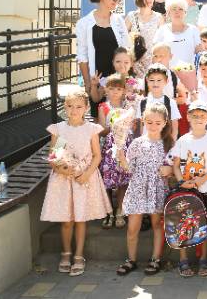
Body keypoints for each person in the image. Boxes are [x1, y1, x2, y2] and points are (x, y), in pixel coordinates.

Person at [41, 88, 111, 276]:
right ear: (65, 107)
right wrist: (61, 169)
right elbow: (54, 155)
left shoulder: (90, 129)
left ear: (86, 108)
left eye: (79, 106)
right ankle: (66, 253)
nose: (74, 110)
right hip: (64, 179)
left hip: (83, 178)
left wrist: (86, 174)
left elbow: (97, 155)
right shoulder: (59, 129)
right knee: (66, 220)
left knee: (80, 219)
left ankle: (79, 255)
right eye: (70, 106)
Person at [117, 102, 173, 277]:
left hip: (157, 188)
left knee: (157, 224)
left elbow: (175, 168)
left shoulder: (169, 144)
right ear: (143, 121)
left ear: (165, 123)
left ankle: (156, 258)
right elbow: (129, 168)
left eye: (158, 123)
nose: (153, 126)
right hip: (137, 188)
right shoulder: (137, 143)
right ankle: (131, 259)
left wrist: (170, 170)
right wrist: (121, 159)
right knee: (132, 228)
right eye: (149, 122)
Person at [172, 100, 207, 277]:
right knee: (183, 223)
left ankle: (204, 259)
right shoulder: (183, 140)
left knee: (204, 224)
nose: (198, 118)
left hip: (206, 189)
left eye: (202, 115)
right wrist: (181, 182)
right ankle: (183, 259)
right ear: (188, 117)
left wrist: (203, 179)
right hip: (186, 189)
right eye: (194, 116)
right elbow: (176, 165)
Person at [77, 0, 129, 115]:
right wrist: (88, 82)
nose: (116, 1)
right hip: (97, 79)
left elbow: (126, 50)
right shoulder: (84, 23)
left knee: (119, 116)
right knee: (98, 116)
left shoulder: (119, 21)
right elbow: (82, 55)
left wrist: (125, 77)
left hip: (117, 78)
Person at [97, 74, 134, 230]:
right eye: (111, 89)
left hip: (125, 146)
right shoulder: (103, 107)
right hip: (108, 147)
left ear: (123, 91)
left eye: (118, 89)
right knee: (106, 178)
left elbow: (132, 126)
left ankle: (120, 209)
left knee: (123, 179)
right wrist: (114, 127)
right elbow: (101, 131)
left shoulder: (128, 106)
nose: (115, 92)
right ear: (106, 90)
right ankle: (108, 211)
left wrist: (123, 127)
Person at [125, 0, 164, 79]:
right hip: (136, 60)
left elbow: (162, 40)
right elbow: (123, 38)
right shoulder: (131, 16)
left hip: (153, 59)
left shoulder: (159, 17)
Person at [136, 64, 181, 140]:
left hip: (164, 143)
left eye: (159, 80)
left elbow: (175, 127)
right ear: (147, 80)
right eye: (152, 80)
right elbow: (141, 125)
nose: (155, 83)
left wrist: (172, 145)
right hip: (146, 142)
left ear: (166, 81)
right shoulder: (142, 102)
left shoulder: (170, 102)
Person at [153, 0, 200, 67]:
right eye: (174, 9)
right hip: (167, 72)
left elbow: (200, 54)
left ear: (185, 13)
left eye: (180, 9)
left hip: (188, 72)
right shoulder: (162, 30)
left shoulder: (194, 30)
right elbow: (155, 54)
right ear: (168, 13)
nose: (177, 12)